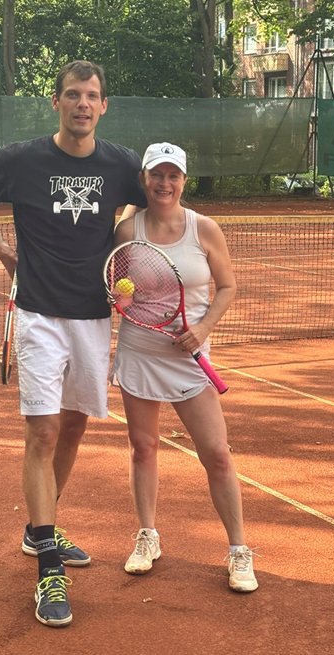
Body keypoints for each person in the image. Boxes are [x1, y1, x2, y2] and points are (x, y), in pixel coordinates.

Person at [0, 60, 146, 627]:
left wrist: (120, 239)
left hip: (93, 316)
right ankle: (49, 567)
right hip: (38, 313)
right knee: (43, 431)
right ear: (56, 102)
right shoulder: (25, 158)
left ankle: (39, 528)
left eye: (91, 96)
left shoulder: (121, 164)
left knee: (75, 425)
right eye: (73, 95)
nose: (82, 104)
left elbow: (148, 198)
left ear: (104, 106)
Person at [111, 142, 258, 593]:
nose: (164, 183)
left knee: (217, 453)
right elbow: (123, 286)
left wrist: (203, 328)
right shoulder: (127, 229)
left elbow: (227, 286)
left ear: (184, 181)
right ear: (144, 179)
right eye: (157, 174)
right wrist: (123, 300)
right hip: (140, 350)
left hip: (190, 357)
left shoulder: (204, 228)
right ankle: (148, 535)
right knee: (143, 447)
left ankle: (239, 550)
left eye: (173, 175)